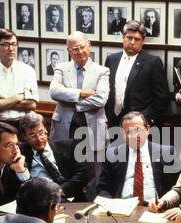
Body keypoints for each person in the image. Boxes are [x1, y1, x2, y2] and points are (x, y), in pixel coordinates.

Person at [49, 31, 109, 200]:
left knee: (94, 173)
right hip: (65, 128)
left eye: (82, 47)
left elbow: (101, 99)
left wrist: (71, 102)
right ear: (68, 50)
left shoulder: (102, 71)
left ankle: (92, 207)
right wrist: (81, 93)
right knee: (64, 169)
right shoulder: (61, 68)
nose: (79, 52)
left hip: (92, 128)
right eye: (74, 49)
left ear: (89, 46)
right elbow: (54, 92)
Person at [97, 112, 177, 205]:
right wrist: (111, 206)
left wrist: (164, 204)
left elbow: (175, 188)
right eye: (129, 132)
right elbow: (103, 188)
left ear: (147, 129)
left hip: (155, 208)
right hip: (121, 208)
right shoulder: (112, 154)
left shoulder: (166, 153)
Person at [104, 20, 169, 127]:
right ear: (123, 38)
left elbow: (162, 97)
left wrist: (151, 120)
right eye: (129, 38)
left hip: (139, 123)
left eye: (137, 39)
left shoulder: (152, 62)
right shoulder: (111, 59)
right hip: (113, 121)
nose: (132, 42)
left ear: (142, 42)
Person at [19, 112, 87, 202]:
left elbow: (83, 174)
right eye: (33, 135)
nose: (39, 139)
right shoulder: (20, 153)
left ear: (46, 130)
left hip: (70, 198)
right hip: (39, 201)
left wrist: (59, 191)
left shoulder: (68, 146)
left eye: (41, 133)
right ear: (24, 136)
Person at [0, 29, 38, 128]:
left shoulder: (28, 71)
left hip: (23, 125)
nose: (11, 48)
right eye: (6, 44)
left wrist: (1, 101)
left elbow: (31, 104)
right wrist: (18, 97)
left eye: (14, 44)